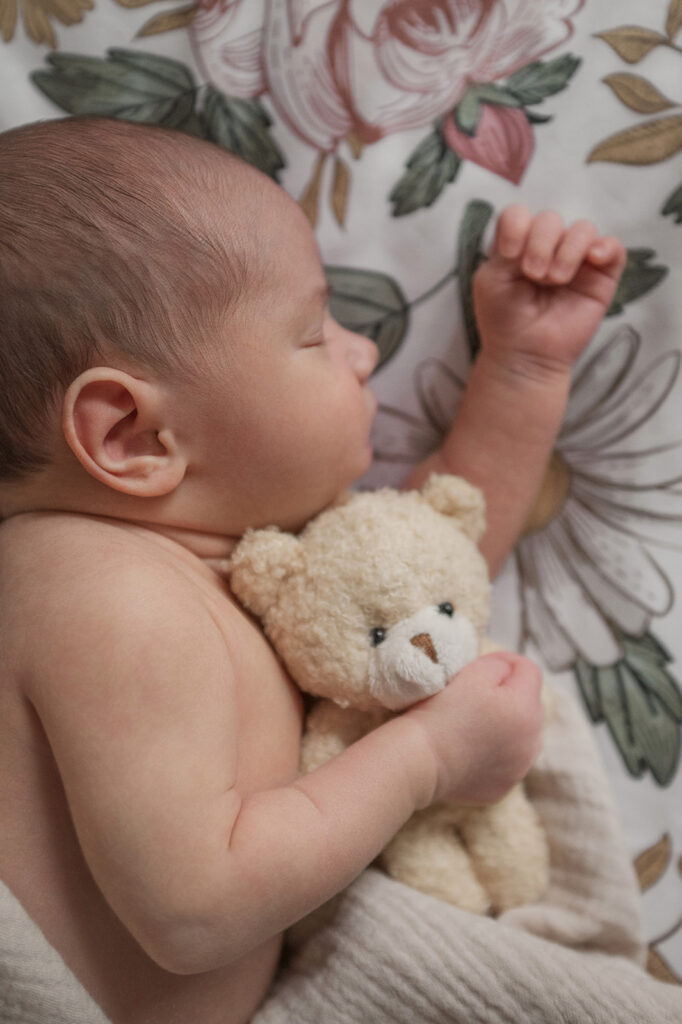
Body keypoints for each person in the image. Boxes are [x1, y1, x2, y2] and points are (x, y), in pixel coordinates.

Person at [0, 116, 626, 1024]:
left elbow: (426, 583)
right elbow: (191, 912)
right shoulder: (94, 588)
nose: (362, 351)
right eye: (312, 333)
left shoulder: (224, 557)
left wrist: (525, 366)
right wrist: (430, 755)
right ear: (134, 437)